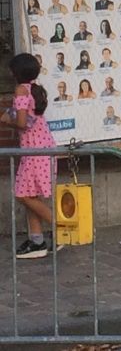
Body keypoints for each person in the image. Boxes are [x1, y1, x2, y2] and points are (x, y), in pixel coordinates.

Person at [1, 54, 57, 258]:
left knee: (22, 195)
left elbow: (23, 122)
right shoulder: (34, 88)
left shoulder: (21, 90)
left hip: (34, 151)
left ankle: (60, 227)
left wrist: (7, 121)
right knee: (30, 194)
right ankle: (37, 241)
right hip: (41, 148)